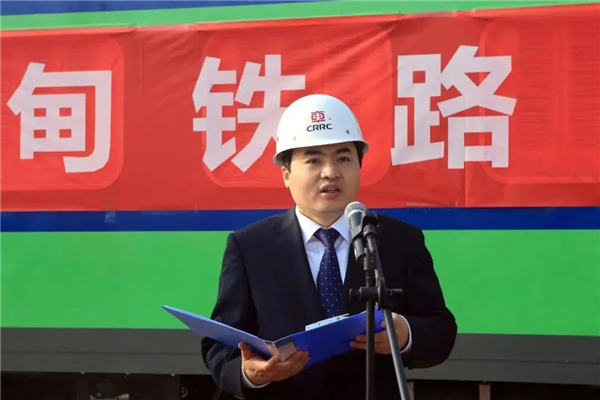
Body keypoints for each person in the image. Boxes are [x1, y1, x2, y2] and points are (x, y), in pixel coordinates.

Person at [201, 94, 456, 400]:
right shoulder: (250, 246)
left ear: (359, 166)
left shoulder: (397, 240)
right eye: (314, 160)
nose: (330, 172)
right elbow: (219, 346)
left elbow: (441, 330)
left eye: (343, 158)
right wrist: (250, 374)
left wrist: (406, 334)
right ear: (286, 174)